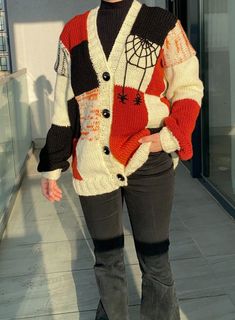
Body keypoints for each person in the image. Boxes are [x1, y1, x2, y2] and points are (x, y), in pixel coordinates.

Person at [37, 0, 204, 319]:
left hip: (148, 160)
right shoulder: (74, 31)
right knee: (107, 259)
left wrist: (168, 137)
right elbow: (64, 105)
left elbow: (187, 87)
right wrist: (53, 165)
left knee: (155, 259)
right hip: (94, 163)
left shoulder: (161, 23)